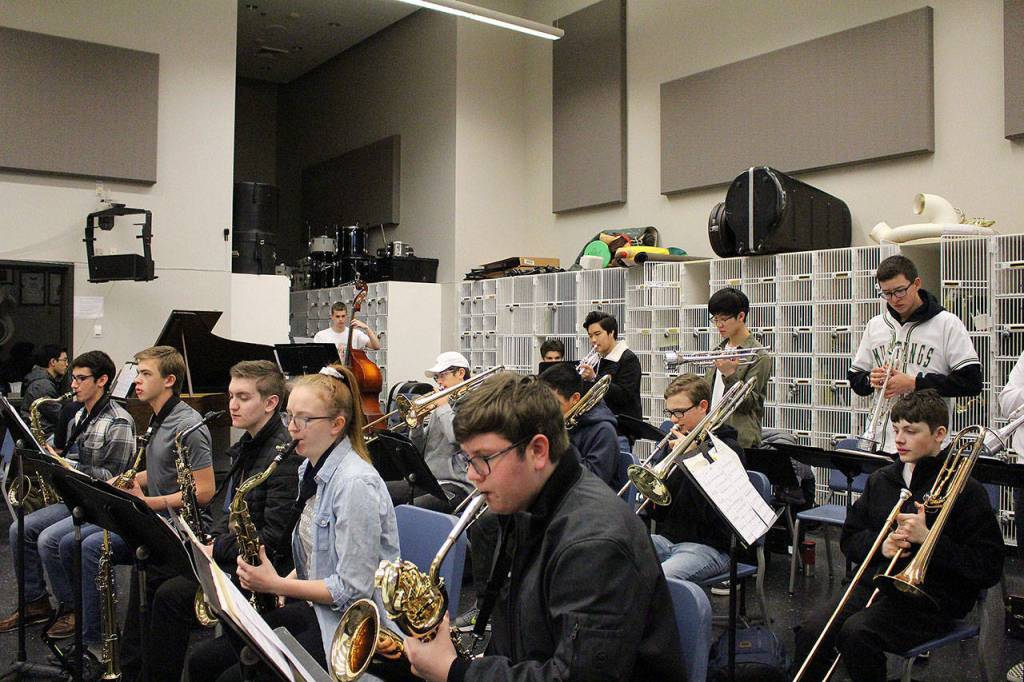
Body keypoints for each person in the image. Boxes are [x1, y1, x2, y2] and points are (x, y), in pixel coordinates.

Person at [404, 371, 682, 681]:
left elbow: (574, 676)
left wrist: (457, 672)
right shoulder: (526, 504)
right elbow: (526, 635)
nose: (471, 474)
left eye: (483, 458)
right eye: (468, 459)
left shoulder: (594, 544)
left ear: (537, 451)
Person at [187, 365, 400, 681]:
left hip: (351, 627)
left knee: (232, 675)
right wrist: (290, 577)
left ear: (336, 425)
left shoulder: (355, 484)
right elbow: (321, 550)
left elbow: (352, 589)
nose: (292, 427)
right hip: (318, 607)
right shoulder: (309, 470)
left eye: (304, 419)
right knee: (204, 662)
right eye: (289, 416)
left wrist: (276, 584)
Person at [792, 390, 1003, 682]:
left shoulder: (967, 490)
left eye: (911, 431)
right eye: (896, 430)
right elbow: (850, 539)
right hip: (877, 584)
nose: (900, 439)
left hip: (933, 599)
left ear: (939, 434)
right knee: (812, 631)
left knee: (858, 635)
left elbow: (988, 566)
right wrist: (883, 545)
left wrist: (929, 539)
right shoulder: (882, 480)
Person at [43, 346, 214, 675]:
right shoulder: (158, 416)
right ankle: (113, 652)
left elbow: (205, 491)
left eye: (145, 374)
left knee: (95, 549)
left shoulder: (187, 424)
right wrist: (123, 482)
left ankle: (103, 647)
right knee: (77, 546)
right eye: (137, 373)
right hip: (154, 520)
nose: (137, 380)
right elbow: (163, 470)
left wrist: (148, 503)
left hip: (178, 531)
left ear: (169, 380)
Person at [144, 360, 299, 682]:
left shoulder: (282, 455)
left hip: (258, 567)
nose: (232, 405)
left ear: (271, 403)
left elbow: (273, 538)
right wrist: (210, 539)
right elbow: (225, 507)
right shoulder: (249, 444)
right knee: (159, 574)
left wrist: (216, 548)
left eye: (243, 397)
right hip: (230, 551)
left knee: (171, 595)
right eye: (231, 396)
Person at [0, 350, 135, 635]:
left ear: (102, 381)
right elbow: (66, 452)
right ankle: (35, 603)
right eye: (73, 378)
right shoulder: (79, 415)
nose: (73, 385)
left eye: (81, 379)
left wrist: (65, 464)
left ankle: (73, 608)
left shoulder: (119, 421)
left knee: (49, 539)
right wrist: (45, 452)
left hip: (101, 503)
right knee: (19, 529)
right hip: (76, 496)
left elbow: (114, 479)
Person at [849, 254, 982, 453]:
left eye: (900, 291)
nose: (894, 299)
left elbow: (971, 382)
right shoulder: (875, 325)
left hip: (926, 446)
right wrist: (870, 379)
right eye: (887, 293)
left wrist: (914, 384)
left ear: (917, 283)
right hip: (880, 442)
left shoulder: (947, 323)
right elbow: (855, 379)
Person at [644, 374, 744, 582]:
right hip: (668, 539)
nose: (673, 420)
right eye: (670, 412)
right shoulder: (674, 444)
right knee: (614, 557)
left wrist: (694, 458)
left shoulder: (728, 448)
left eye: (679, 412)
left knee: (659, 579)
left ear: (703, 406)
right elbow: (660, 514)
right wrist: (650, 493)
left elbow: (718, 516)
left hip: (709, 546)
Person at [386, 351, 473, 512]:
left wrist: (442, 406)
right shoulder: (443, 406)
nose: (438, 382)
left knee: (409, 511)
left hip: (457, 486)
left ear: (461, 373)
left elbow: (457, 438)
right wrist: (417, 425)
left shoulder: (474, 404)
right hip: (430, 482)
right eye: (436, 378)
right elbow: (420, 450)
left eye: (443, 376)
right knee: (378, 492)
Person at [703, 287, 772, 448]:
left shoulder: (758, 356)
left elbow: (749, 404)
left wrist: (729, 375)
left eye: (724, 319)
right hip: (711, 435)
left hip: (740, 441)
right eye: (715, 319)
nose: (719, 325)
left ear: (741, 316)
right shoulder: (718, 350)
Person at [539, 361, 618, 486]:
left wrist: (560, 437)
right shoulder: (551, 422)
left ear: (575, 398)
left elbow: (592, 483)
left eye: (554, 403)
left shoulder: (604, 431)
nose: (546, 409)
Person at [578, 311, 642, 422]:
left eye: (597, 334)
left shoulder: (628, 359)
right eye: (590, 336)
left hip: (622, 424)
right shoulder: (595, 359)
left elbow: (624, 396)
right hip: (599, 420)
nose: (593, 340)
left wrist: (594, 378)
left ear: (611, 333)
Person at [18, 344, 69, 437]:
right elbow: (60, 417)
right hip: (46, 435)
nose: (67, 364)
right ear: (53, 362)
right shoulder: (42, 385)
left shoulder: (39, 379)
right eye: (64, 360)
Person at [313, 301, 381, 359]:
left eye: (343, 316)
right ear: (332, 317)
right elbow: (316, 358)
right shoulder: (321, 335)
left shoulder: (355, 334)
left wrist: (367, 328)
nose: (340, 319)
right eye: (337, 316)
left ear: (346, 316)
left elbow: (376, 346)